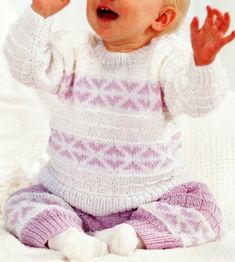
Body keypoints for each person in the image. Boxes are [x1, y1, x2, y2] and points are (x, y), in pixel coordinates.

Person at [3, 0, 235, 260]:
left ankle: (132, 234)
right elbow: (26, 68)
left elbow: (196, 102)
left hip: (151, 197)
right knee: (20, 204)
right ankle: (65, 236)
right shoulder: (73, 49)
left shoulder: (168, 57)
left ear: (161, 18)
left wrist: (203, 64)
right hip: (65, 194)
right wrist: (39, 13)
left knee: (203, 209)